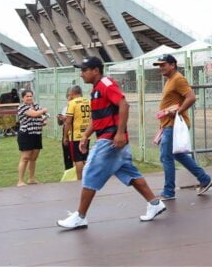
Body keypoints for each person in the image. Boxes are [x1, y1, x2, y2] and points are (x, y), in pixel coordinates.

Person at [57, 56, 165, 229]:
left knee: (90, 172)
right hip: (112, 140)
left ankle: (80, 216)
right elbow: (98, 118)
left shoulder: (106, 84)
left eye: (84, 70)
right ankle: (154, 203)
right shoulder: (96, 90)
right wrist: (85, 135)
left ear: (96, 71)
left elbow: (124, 105)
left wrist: (120, 133)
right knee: (130, 173)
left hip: (110, 140)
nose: (81, 74)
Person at [154, 53, 212, 200]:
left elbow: (191, 97)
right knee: (177, 154)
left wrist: (178, 112)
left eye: (163, 65)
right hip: (168, 125)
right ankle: (204, 178)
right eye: (159, 66)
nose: (160, 68)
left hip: (173, 125)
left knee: (166, 157)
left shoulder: (178, 79)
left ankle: (169, 191)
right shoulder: (170, 80)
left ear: (172, 65)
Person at [17, 90, 47, 186]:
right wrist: (42, 111)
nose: (29, 98)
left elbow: (44, 117)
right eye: (27, 96)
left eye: (30, 96)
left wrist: (44, 120)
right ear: (23, 98)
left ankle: (31, 179)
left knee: (33, 158)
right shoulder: (22, 107)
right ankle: (20, 181)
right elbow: (35, 114)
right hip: (26, 134)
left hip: (37, 134)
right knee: (25, 157)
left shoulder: (36, 106)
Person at [64, 85, 92, 180]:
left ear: (72, 93)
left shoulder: (72, 103)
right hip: (86, 134)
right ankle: (87, 177)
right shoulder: (88, 101)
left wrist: (65, 136)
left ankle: (80, 180)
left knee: (78, 159)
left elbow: (68, 122)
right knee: (85, 157)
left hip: (75, 135)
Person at [57, 90, 74, 171]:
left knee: (76, 154)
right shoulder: (65, 108)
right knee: (66, 153)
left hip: (74, 130)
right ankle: (68, 171)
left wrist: (67, 119)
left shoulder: (76, 107)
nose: (69, 101)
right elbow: (60, 123)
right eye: (68, 99)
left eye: (71, 99)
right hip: (66, 131)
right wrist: (60, 118)